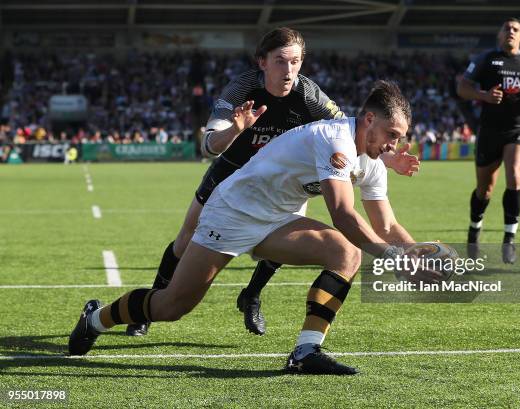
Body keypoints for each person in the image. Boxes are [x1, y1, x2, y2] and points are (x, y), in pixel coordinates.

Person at [69, 81, 427, 375]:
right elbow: (343, 215)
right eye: (391, 134)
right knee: (172, 306)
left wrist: (418, 255)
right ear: (367, 120)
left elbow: (387, 224)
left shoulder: (375, 162)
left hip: (276, 219)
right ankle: (96, 319)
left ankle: (306, 352)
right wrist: (393, 257)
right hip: (232, 210)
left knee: (345, 254)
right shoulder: (336, 140)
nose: (394, 145)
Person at [127, 27, 420, 337]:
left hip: (284, 175)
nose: (289, 70)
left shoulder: (309, 94)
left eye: (296, 62)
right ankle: (149, 306)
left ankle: (252, 294)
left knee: (295, 228)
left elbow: (353, 132)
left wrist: (385, 158)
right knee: (185, 238)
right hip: (234, 170)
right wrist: (235, 130)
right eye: (281, 61)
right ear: (262, 62)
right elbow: (208, 145)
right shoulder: (241, 89)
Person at [457, 18, 520, 263]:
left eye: (515, 29)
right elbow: (463, 88)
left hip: (519, 129)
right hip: (490, 131)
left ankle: (509, 239)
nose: (510, 32)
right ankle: (474, 229)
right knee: (484, 190)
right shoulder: (485, 59)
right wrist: (483, 95)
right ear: (499, 36)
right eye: (506, 29)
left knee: (514, 176)